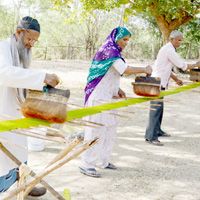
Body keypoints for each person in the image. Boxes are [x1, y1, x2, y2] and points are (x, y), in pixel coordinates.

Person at [80, 27, 152, 178]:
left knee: (109, 129)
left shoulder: (115, 52)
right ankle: (86, 164)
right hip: (98, 96)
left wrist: (117, 89)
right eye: (124, 39)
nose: (126, 43)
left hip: (109, 97)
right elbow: (124, 69)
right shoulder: (108, 51)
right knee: (95, 130)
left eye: (128, 40)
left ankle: (102, 161)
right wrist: (144, 69)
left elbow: (109, 74)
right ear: (116, 38)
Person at [0, 16, 59, 196]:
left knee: (20, 149)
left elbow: (22, 79)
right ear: (19, 32)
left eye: (35, 40)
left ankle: (24, 185)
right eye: (29, 39)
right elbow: (4, 73)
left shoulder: (22, 52)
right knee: (4, 157)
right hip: (2, 110)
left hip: (15, 110)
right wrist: (42, 77)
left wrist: (42, 86)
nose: (31, 43)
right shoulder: (2, 47)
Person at [145, 30, 200, 146]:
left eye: (181, 40)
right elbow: (182, 65)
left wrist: (176, 79)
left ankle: (157, 130)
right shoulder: (169, 50)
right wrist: (196, 64)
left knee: (159, 109)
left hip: (160, 82)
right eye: (178, 40)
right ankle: (151, 137)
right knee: (155, 110)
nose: (180, 42)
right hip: (157, 83)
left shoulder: (168, 49)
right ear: (171, 39)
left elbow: (166, 68)